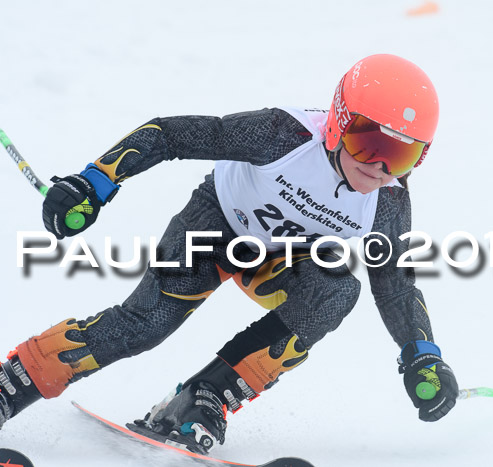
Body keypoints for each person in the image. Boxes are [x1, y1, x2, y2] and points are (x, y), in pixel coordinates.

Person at [0, 54, 459, 453]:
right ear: (338, 121)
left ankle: (203, 399)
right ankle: (12, 383)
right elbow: (168, 135)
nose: (380, 167)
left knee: (337, 290)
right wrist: (94, 182)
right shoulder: (283, 135)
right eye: (369, 142)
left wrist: (423, 354)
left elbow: (396, 286)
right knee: (145, 326)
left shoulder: (390, 202)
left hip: (280, 260)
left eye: (402, 155)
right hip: (213, 227)